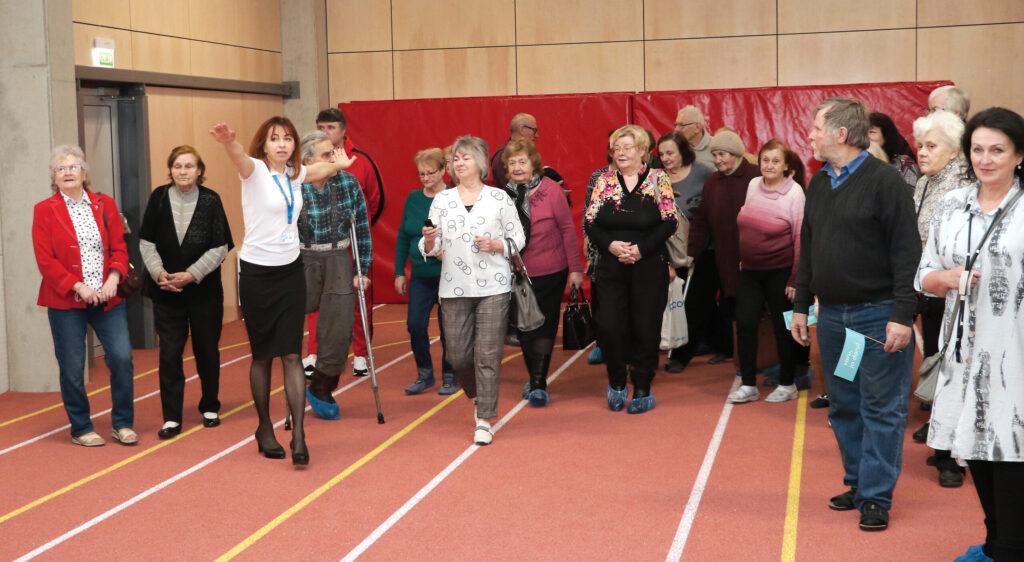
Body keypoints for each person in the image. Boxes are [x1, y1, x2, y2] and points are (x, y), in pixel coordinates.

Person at [791, 97, 920, 532]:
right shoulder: (819, 182)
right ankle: (859, 482)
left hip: (877, 317)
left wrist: (902, 315)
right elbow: (809, 248)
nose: (810, 135)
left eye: (816, 128)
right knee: (845, 406)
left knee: (882, 409)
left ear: (841, 134)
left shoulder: (885, 182)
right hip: (833, 320)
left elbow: (907, 253)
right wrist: (801, 306)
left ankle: (876, 496)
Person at [209, 116, 353, 465]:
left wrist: (339, 164)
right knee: (262, 356)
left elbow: (318, 170)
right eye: (275, 139)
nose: (282, 144)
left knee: (291, 354)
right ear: (264, 144)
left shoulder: (295, 174)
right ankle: (263, 427)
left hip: (291, 273)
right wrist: (228, 142)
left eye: (288, 138)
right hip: (257, 275)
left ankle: (299, 435)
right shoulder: (254, 171)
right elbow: (238, 156)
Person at [916, 107, 1024, 562]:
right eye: (978, 149)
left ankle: (1010, 548)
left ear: (1019, 155)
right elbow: (924, 274)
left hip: (1015, 356)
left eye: (997, 150)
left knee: (1012, 451)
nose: (986, 159)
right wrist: (945, 278)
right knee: (976, 445)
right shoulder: (952, 204)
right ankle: (995, 544)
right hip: (963, 355)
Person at [419, 135, 524, 445]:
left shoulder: (499, 198)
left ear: (480, 161)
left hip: (494, 285)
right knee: (457, 355)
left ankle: (484, 418)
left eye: (465, 157)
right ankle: (478, 392)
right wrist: (429, 240)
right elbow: (432, 245)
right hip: (454, 288)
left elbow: (518, 239)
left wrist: (496, 245)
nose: (459, 163)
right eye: (455, 158)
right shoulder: (443, 200)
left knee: (488, 354)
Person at [33, 145, 137, 447]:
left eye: (73, 167)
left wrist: (114, 278)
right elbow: (45, 260)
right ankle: (81, 427)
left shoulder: (105, 204)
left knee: (121, 357)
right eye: (61, 168)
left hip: (108, 299)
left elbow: (119, 248)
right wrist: (78, 287)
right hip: (66, 301)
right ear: (54, 177)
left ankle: (122, 423)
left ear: (84, 172)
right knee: (72, 366)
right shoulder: (44, 210)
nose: (67, 172)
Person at [138, 145, 233, 439]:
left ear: (199, 170)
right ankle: (171, 417)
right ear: (170, 169)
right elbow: (146, 242)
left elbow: (220, 247)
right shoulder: (158, 198)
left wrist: (191, 275)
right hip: (167, 291)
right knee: (169, 354)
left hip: (205, 293)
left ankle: (210, 406)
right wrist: (160, 274)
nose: (183, 171)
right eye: (177, 166)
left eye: (189, 166)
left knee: (207, 350)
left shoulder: (211, 200)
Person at [584, 125, 677, 414]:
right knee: (610, 325)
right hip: (611, 265)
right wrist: (611, 246)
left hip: (648, 265)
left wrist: (640, 249)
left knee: (646, 326)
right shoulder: (604, 181)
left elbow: (670, 221)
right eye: (617, 148)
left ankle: (643, 386)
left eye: (627, 147)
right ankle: (616, 382)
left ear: (642, 151)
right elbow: (590, 221)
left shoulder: (658, 179)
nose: (621, 152)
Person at [908, 109, 970, 486]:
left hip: (957, 294)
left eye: (931, 146)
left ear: (954, 150)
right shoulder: (924, 182)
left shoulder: (965, 185)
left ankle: (953, 458)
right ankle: (942, 438)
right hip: (929, 287)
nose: (922, 152)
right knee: (935, 361)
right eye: (920, 145)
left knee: (954, 372)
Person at [296, 131, 372, 421]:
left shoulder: (348, 183)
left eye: (334, 152)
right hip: (301, 258)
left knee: (339, 331)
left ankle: (322, 385)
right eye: (327, 155)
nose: (335, 159)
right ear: (307, 161)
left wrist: (362, 270)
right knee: (290, 325)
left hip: (338, 256)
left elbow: (361, 229)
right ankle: (293, 381)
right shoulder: (294, 186)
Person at [501, 139, 583, 406]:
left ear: (533, 162)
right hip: (519, 274)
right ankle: (535, 375)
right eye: (512, 162)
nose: (517, 167)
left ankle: (538, 382)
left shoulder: (551, 190)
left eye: (522, 161)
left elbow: (567, 230)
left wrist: (575, 269)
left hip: (552, 271)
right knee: (526, 329)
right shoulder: (502, 196)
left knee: (545, 326)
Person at [730, 139, 809, 404]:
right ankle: (748, 385)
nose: (769, 165)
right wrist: (744, 257)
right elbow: (748, 223)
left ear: (786, 166)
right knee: (745, 324)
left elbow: (800, 238)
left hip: (781, 273)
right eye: (765, 160)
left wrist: (795, 279)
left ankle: (788, 384)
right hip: (750, 272)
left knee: (783, 328)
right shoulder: (753, 185)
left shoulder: (795, 193)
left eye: (776, 161)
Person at [675, 130, 761, 370]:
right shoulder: (713, 181)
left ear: (736, 153)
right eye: (714, 155)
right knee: (728, 307)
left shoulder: (756, 177)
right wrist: (692, 252)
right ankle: (736, 355)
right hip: (723, 257)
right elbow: (701, 220)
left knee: (750, 312)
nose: (717, 160)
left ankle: (759, 359)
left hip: (753, 259)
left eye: (722, 154)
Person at [310, 108, 384, 378]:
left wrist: (353, 225)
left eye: (330, 127)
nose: (325, 132)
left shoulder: (361, 161)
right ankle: (314, 352)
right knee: (317, 301)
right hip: (317, 246)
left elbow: (375, 201)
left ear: (343, 130)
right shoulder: (308, 163)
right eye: (321, 127)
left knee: (358, 298)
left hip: (350, 241)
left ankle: (361, 354)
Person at [395, 148, 458, 396]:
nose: (426, 178)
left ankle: (450, 374)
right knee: (414, 324)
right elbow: (403, 235)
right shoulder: (412, 199)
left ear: (443, 171)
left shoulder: (454, 197)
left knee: (448, 327)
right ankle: (424, 373)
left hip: (448, 275)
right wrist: (399, 272)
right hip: (420, 275)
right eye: (421, 174)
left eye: (430, 173)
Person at [657, 131, 713, 222]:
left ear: (682, 152)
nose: (664, 158)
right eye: (661, 154)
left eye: (669, 153)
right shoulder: (657, 177)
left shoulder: (702, 172)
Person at [869, 112, 920, 189]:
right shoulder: (859, 162)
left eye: (871, 132)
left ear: (886, 135)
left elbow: (910, 194)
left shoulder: (904, 164)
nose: (866, 136)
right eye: (863, 132)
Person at [490, 113, 538, 189]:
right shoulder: (502, 156)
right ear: (522, 129)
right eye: (534, 130)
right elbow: (510, 191)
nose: (537, 135)